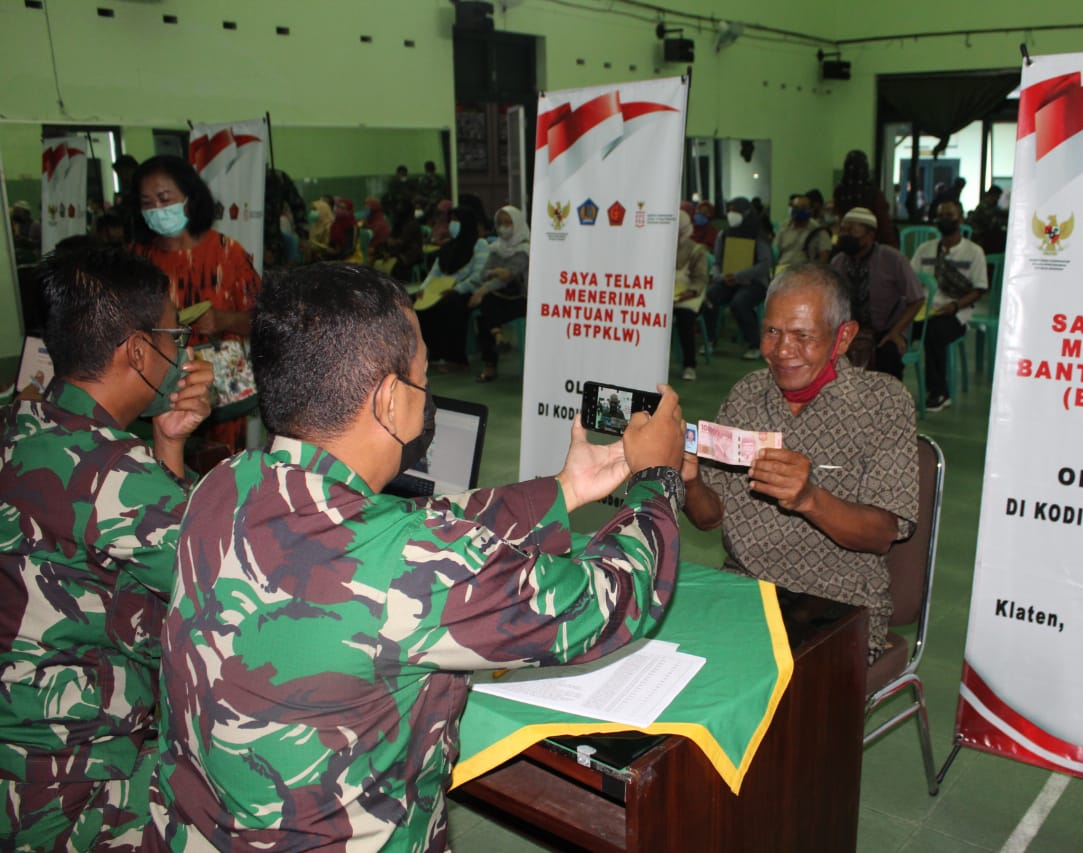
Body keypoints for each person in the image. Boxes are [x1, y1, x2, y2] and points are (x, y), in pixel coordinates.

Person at [148, 263, 687, 851]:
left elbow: (415, 526)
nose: (428, 397)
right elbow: (621, 596)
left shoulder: (223, 486)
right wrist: (657, 477)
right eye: (423, 379)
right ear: (387, 399)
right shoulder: (413, 564)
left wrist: (564, 491)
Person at [0, 246, 214, 852]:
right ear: (139, 353)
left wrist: (166, 445)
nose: (182, 352)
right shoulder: (111, 474)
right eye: (175, 335)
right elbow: (229, 573)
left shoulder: (18, 422)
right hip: (64, 793)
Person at [682, 264, 918, 663]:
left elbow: (882, 533)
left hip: (838, 606)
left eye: (803, 336)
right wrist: (688, 479)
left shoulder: (883, 403)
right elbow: (708, 518)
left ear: (843, 337)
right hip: (746, 589)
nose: (782, 350)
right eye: (772, 331)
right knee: (662, 655)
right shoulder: (747, 394)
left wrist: (810, 498)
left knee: (753, 689)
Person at [129, 155, 260, 453]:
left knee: (220, 473)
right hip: (157, 394)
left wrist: (224, 321)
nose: (157, 210)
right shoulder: (136, 258)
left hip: (221, 393)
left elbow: (263, 320)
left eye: (165, 199)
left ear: (189, 198)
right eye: (147, 202)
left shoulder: (227, 253)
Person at [911, 199, 988, 411]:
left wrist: (954, 306)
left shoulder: (974, 252)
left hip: (956, 312)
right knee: (895, 328)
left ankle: (939, 392)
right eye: (941, 216)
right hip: (924, 311)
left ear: (961, 219)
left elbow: (979, 289)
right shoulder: (924, 249)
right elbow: (911, 280)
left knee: (934, 332)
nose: (945, 220)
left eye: (950, 215)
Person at [830, 207, 925, 379]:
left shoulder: (892, 259)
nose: (845, 236)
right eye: (843, 230)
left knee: (889, 357)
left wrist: (896, 332)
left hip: (888, 330)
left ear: (870, 235)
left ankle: (890, 404)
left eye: (852, 231)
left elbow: (917, 299)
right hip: (850, 331)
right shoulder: (838, 261)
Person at [416, 207, 491, 371]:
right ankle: (432, 354)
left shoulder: (480, 244)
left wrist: (457, 289)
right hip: (441, 289)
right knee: (417, 302)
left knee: (449, 304)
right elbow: (434, 272)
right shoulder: (448, 247)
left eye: (456, 220)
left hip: (466, 291)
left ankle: (456, 359)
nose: (452, 224)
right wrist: (423, 288)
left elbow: (478, 276)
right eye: (452, 220)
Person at [706, 197, 773, 360]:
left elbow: (764, 265)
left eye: (735, 211)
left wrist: (738, 276)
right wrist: (719, 276)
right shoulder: (724, 234)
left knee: (740, 302)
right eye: (729, 210)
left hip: (754, 282)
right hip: (728, 281)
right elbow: (717, 261)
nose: (731, 214)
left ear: (746, 212)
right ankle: (710, 340)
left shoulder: (758, 235)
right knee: (710, 296)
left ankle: (755, 344)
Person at [471, 205, 530, 383]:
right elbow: (484, 273)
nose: (503, 227)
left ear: (517, 223)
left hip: (522, 300)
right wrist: (497, 273)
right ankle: (498, 337)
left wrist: (484, 287)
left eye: (507, 222)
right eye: (500, 223)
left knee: (485, 307)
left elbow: (509, 275)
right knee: (485, 311)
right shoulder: (496, 247)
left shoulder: (525, 249)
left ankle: (491, 365)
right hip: (498, 299)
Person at [673, 210, 710, 381]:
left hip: (690, 296)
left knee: (685, 318)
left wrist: (688, 293)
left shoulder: (697, 250)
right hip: (669, 297)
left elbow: (701, 279)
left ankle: (689, 365)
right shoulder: (661, 247)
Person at [832, 149, 896, 246]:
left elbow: (883, 224)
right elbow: (884, 225)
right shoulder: (873, 192)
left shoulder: (841, 192)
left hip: (867, 245)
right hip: (852, 243)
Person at [774, 192, 831, 269]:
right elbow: (775, 251)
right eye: (795, 207)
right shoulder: (784, 227)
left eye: (803, 207)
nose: (798, 210)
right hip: (783, 269)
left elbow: (824, 257)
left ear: (810, 210)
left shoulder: (818, 230)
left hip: (805, 272)